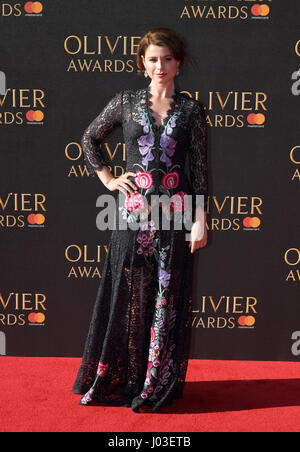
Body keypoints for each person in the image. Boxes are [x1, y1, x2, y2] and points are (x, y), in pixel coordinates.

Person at [72, 27, 209, 413]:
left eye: (167, 58)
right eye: (152, 59)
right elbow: (89, 139)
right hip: (131, 218)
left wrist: (200, 219)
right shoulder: (125, 103)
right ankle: (124, 378)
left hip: (175, 217)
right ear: (142, 64)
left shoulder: (193, 111)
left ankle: (155, 381)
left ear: (178, 63)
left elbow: (198, 170)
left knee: (167, 297)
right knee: (129, 297)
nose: (160, 66)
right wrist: (110, 180)